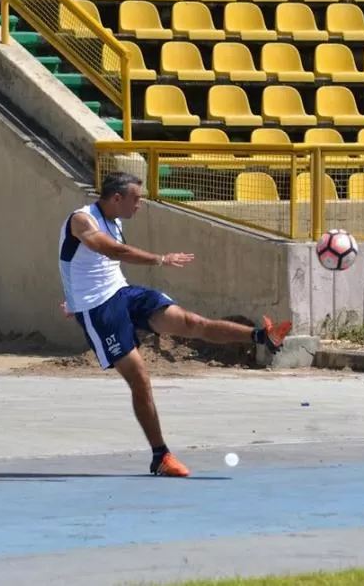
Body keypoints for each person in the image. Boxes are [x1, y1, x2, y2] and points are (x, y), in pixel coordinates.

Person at [58, 171, 292, 478]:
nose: (139, 205)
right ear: (117, 198)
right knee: (139, 376)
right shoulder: (82, 220)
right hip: (98, 309)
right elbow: (111, 251)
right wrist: (160, 259)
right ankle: (161, 456)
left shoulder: (115, 219)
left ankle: (262, 336)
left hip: (122, 292)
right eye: (136, 199)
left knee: (191, 321)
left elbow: (86, 265)